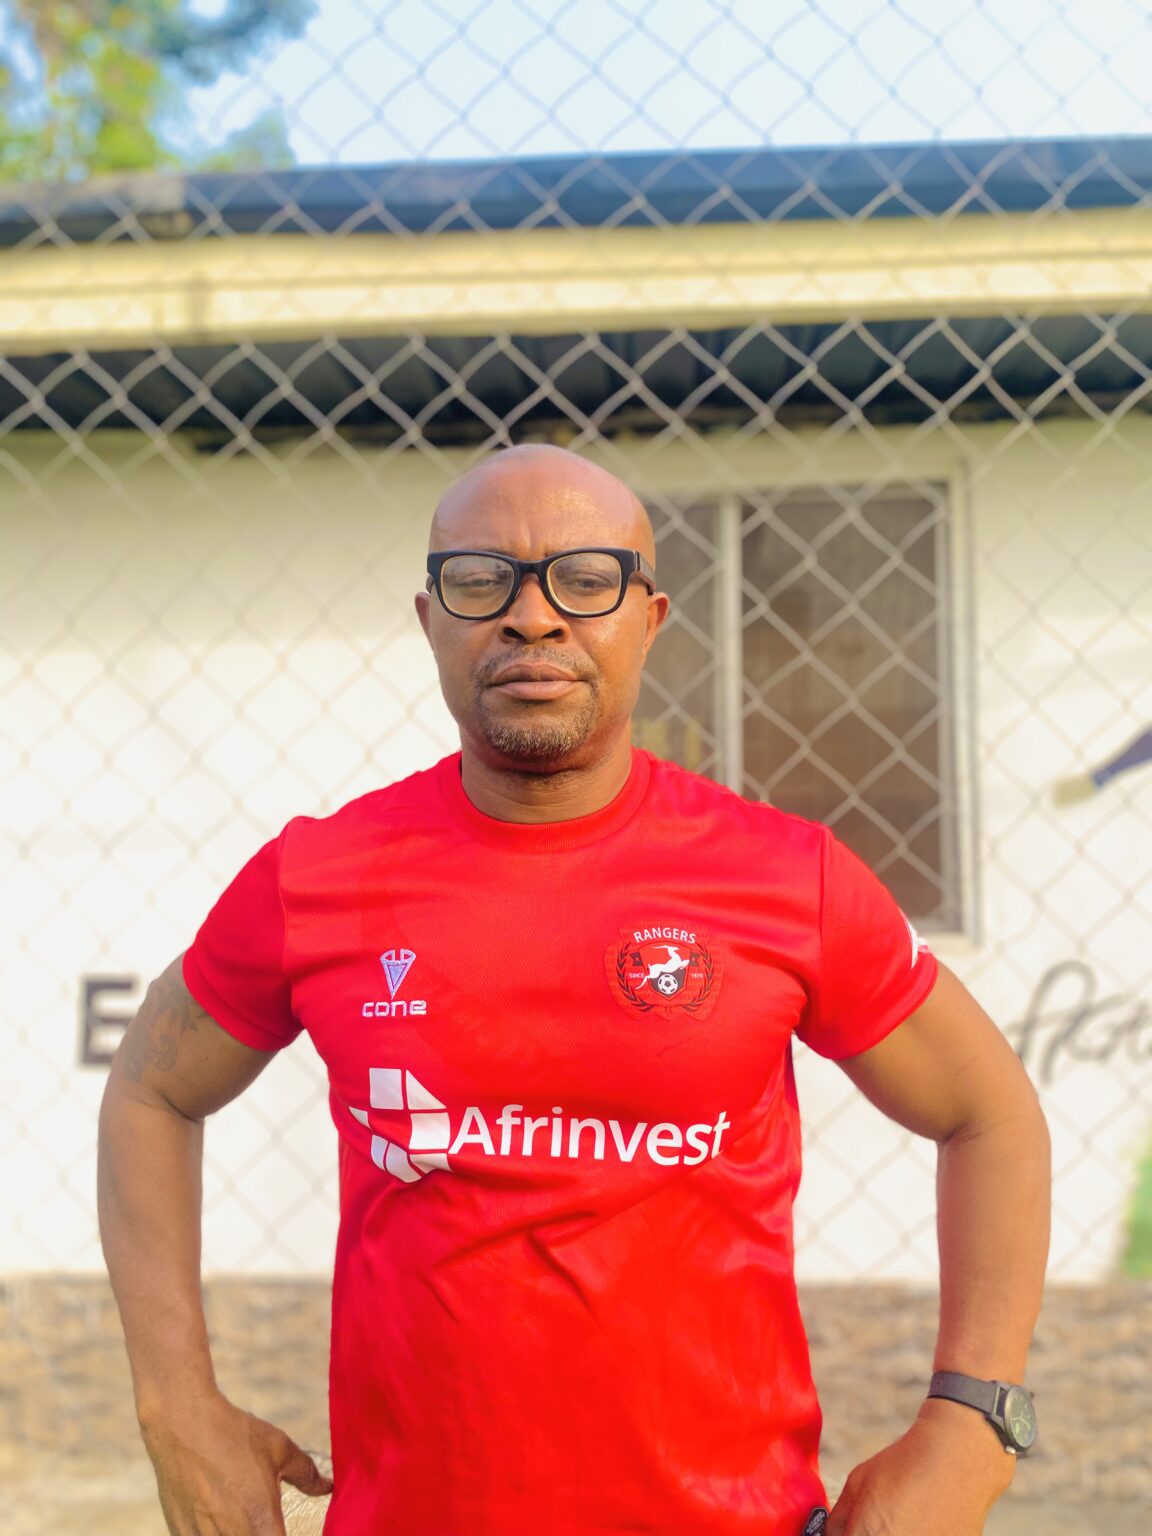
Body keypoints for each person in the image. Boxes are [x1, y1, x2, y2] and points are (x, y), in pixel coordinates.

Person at [98, 444, 1051, 1536]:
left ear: (649, 618)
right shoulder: (318, 877)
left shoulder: (786, 877)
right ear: (428, 621)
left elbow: (990, 1114)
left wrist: (973, 1426)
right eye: (480, 581)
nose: (532, 618)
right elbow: (150, 1092)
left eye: (584, 581)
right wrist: (176, 1406)